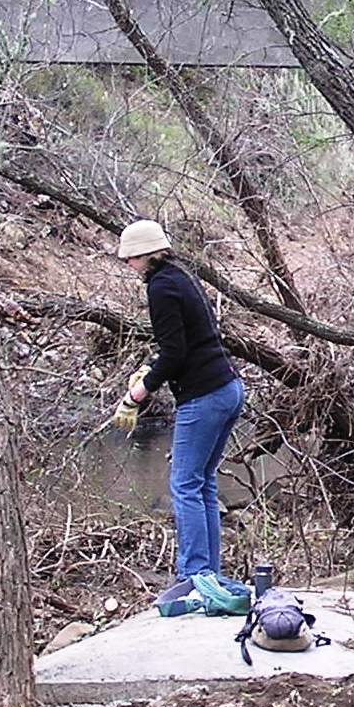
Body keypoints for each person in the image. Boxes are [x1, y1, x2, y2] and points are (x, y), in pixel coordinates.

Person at [113, 219, 245, 582]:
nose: (129, 265)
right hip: (228, 388)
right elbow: (191, 340)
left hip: (204, 396)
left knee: (185, 484)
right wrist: (150, 367)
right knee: (202, 481)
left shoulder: (160, 287)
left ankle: (193, 576)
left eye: (131, 258)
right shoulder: (180, 275)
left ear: (144, 255)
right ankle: (208, 575)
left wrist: (140, 391)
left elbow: (175, 352)